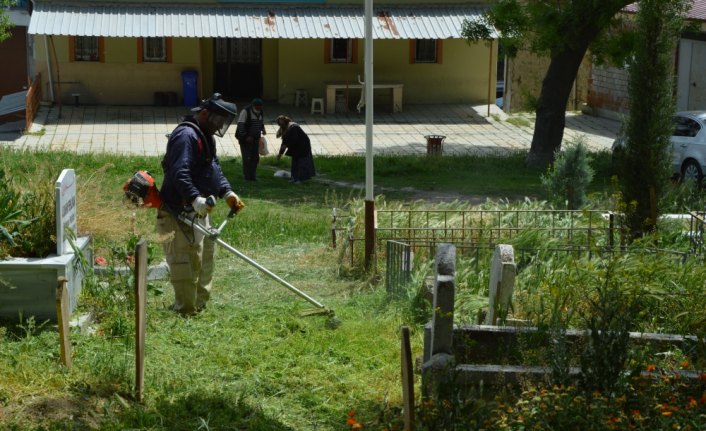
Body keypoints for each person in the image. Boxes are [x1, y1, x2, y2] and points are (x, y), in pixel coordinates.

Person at [157, 93, 245, 316]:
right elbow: (179, 172)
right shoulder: (186, 136)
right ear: (205, 113)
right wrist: (196, 198)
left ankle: (199, 304)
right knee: (185, 263)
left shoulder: (206, 137)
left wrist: (227, 192)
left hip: (199, 209)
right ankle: (185, 311)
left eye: (223, 122)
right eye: (217, 120)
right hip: (179, 212)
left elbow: (213, 169)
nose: (219, 125)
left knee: (205, 257)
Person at [275, 115, 316, 184]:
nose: (281, 125)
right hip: (295, 146)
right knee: (295, 162)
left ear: (285, 122)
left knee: (301, 162)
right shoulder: (285, 129)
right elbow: (284, 143)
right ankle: (294, 178)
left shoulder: (293, 127)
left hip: (303, 146)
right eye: (280, 124)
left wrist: (286, 145)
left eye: (282, 123)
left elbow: (294, 139)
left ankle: (300, 179)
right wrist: (280, 154)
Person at [235, 98, 266, 181]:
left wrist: (263, 128)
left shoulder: (261, 111)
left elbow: (261, 121)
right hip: (245, 140)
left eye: (260, 106)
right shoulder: (245, 111)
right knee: (247, 158)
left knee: (255, 158)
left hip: (256, 139)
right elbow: (240, 125)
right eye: (257, 106)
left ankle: (253, 176)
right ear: (253, 106)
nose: (259, 108)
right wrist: (246, 137)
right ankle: (247, 177)